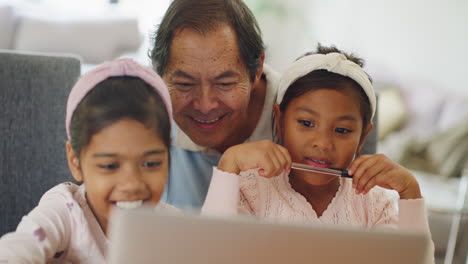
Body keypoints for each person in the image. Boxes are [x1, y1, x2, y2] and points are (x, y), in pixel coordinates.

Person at [202, 45, 435, 263]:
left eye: (342, 130)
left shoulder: (374, 204)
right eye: (306, 123)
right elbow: (212, 253)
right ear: (280, 120)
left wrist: (410, 193)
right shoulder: (251, 189)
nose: (323, 143)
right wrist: (229, 165)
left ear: (363, 136)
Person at [0, 58, 174, 263]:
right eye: (110, 166)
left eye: (150, 164)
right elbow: (18, 249)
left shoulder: (173, 226)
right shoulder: (65, 211)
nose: (131, 184)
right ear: (75, 161)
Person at [149, 0, 280, 209]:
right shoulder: (145, 124)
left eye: (224, 83)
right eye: (185, 84)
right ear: (158, 72)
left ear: (256, 70)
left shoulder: (310, 122)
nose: (205, 105)